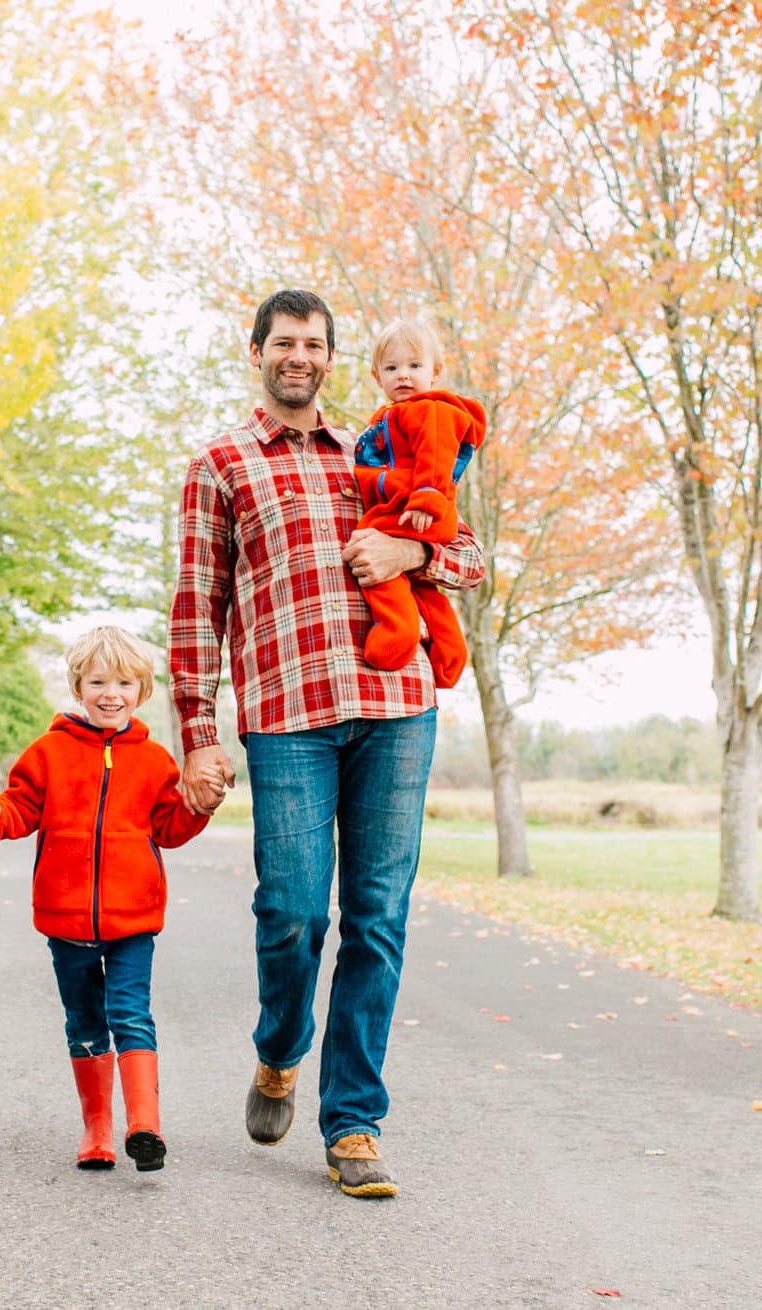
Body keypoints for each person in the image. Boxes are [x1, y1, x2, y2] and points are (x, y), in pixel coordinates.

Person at [168, 290, 486, 1199]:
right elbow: (198, 611)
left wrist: (410, 558)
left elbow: (469, 559)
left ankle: (353, 1124)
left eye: (314, 343)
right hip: (286, 717)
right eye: (283, 342)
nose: (298, 355)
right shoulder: (221, 465)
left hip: (396, 707)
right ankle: (278, 1052)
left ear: (333, 358)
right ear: (258, 351)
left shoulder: (382, 447)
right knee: (295, 913)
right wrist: (198, 737)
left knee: (377, 919)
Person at [0, 626, 207, 1173]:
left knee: (132, 1014)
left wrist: (199, 805)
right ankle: (97, 1130)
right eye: (97, 681)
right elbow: (17, 811)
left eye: (124, 682)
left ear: (141, 690)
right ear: (78, 686)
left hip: (133, 919)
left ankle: (145, 1125)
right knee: (85, 1020)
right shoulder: (48, 752)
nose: (110, 692)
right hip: (65, 918)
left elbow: (168, 827)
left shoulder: (155, 760)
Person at [352, 318, 486, 686]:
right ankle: (450, 651)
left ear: (436, 372)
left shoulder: (432, 409)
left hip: (413, 514)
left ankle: (397, 634)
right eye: (392, 368)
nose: (404, 376)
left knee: (378, 569)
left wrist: (427, 498)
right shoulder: (388, 418)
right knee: (425, 591)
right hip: (411, 513)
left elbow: (437, 453)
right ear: (377, 377)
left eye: (414, 366)